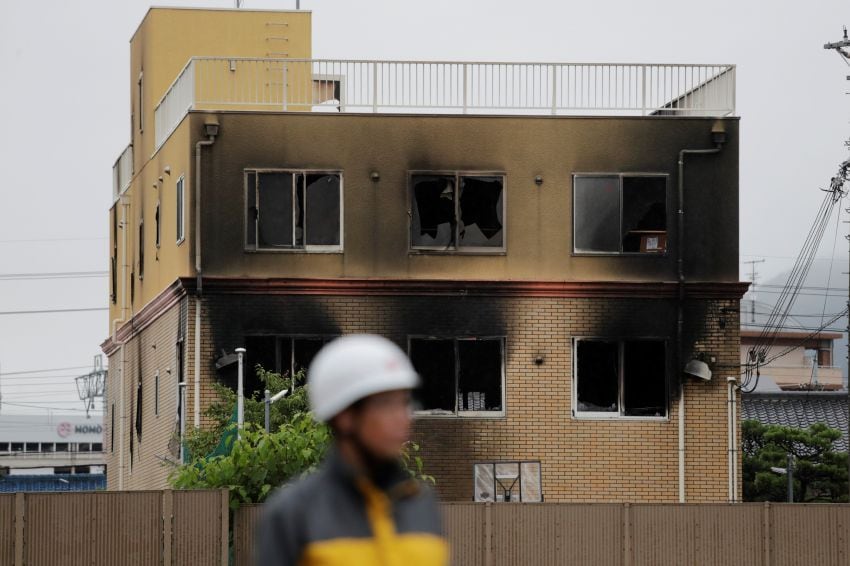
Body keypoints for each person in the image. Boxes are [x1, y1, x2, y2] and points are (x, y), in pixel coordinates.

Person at [255, 334, 449, 566]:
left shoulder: (422, 504)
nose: (404, 418)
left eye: (405, 402)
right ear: (345, 416)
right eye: (386, 404)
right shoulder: (293, 513)